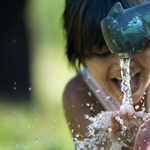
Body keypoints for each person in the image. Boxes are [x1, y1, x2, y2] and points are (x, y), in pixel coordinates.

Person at [62, 0, 150, 149]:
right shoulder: (80, 93)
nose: (122, 62)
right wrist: (122, 143)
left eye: (133, 45)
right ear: (81, 58)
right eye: (102, 53)